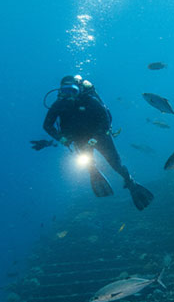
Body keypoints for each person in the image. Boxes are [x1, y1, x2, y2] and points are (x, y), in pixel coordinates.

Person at [36, 75, 153, 210]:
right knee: (89, 164)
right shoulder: (58, 105)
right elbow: (47, 125)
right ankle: (94, 173)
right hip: (80, 140)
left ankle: (131, 182)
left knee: (116, 164)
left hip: (101, 136)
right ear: (61, 92)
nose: (70, 96)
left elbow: (106, 119)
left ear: (79, 89)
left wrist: (96, 137)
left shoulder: (90, 100)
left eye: (72, 91)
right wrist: (61, 138)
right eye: (66, 91)